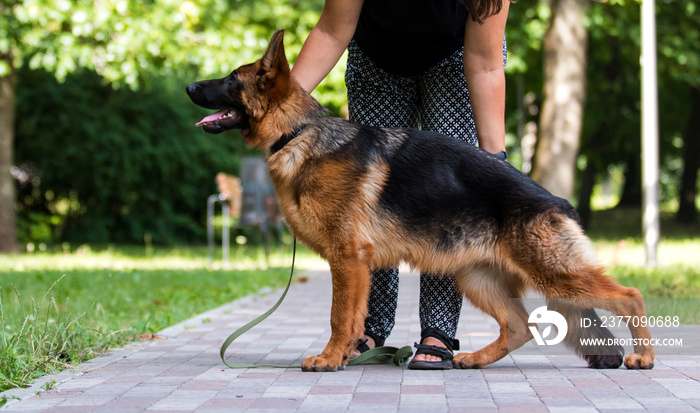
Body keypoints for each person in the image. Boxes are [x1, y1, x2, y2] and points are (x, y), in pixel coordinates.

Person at [290, 0, 510, 369]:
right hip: (377, 60)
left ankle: (438, 331)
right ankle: (366, 329)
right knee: (369, 203)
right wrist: (284, 105)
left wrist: (494, 162)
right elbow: (331, 31)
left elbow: (486, 65)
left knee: (446, 198)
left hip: (458, 60)